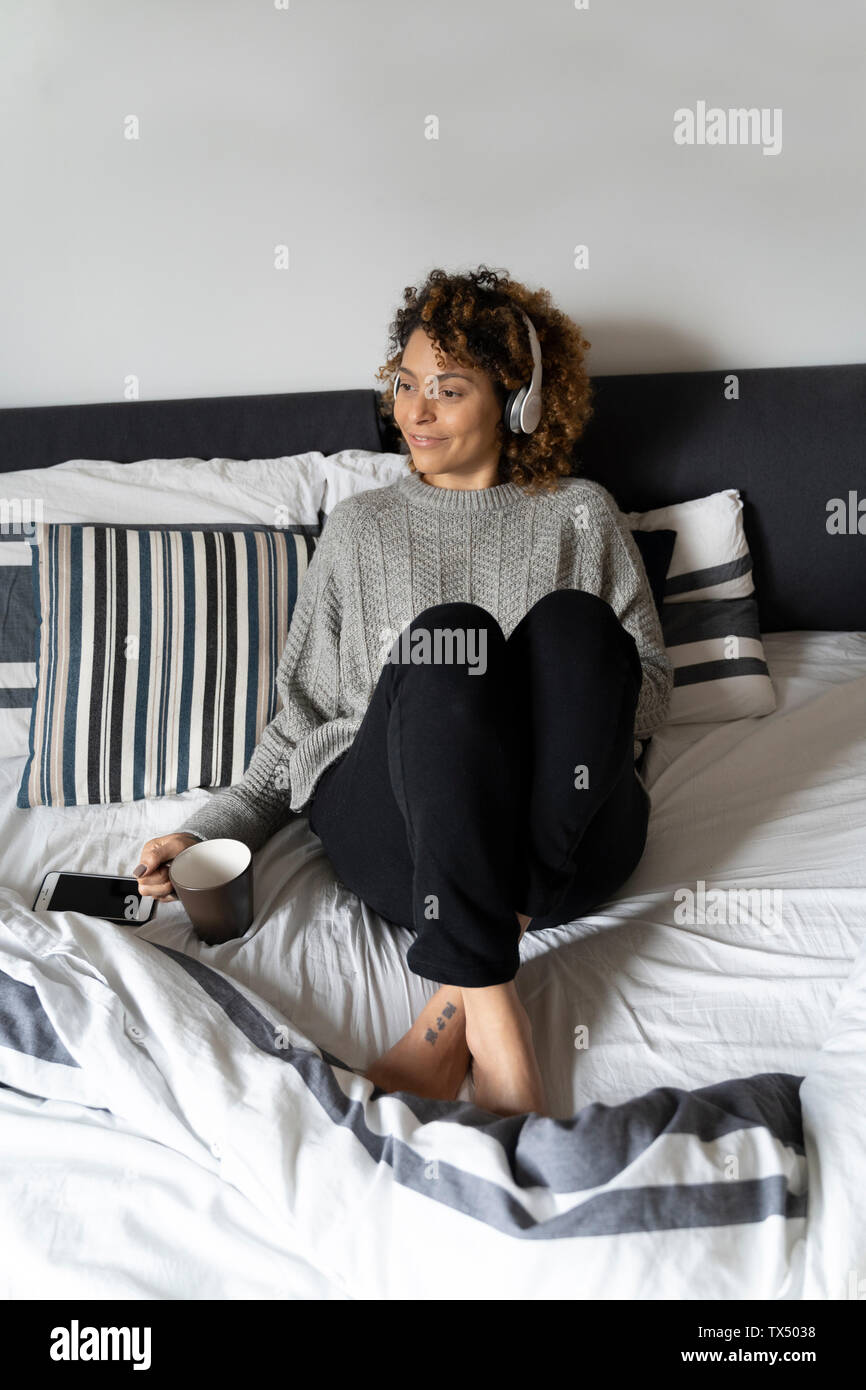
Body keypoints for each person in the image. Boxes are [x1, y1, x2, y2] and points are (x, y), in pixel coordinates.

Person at [132, 265, 673, 1118]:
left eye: (448, 391)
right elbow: (300, 724)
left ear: (516, 402)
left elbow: (643, 693)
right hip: (400, 835)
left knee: (576, 625)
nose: (414, 413)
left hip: (573, 831)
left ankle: (447, 1013)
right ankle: (495, 1021)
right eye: (405, 385)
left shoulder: (581, 514)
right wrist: (208, 829)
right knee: (449, 638)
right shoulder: (359, 530)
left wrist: (538, 728)